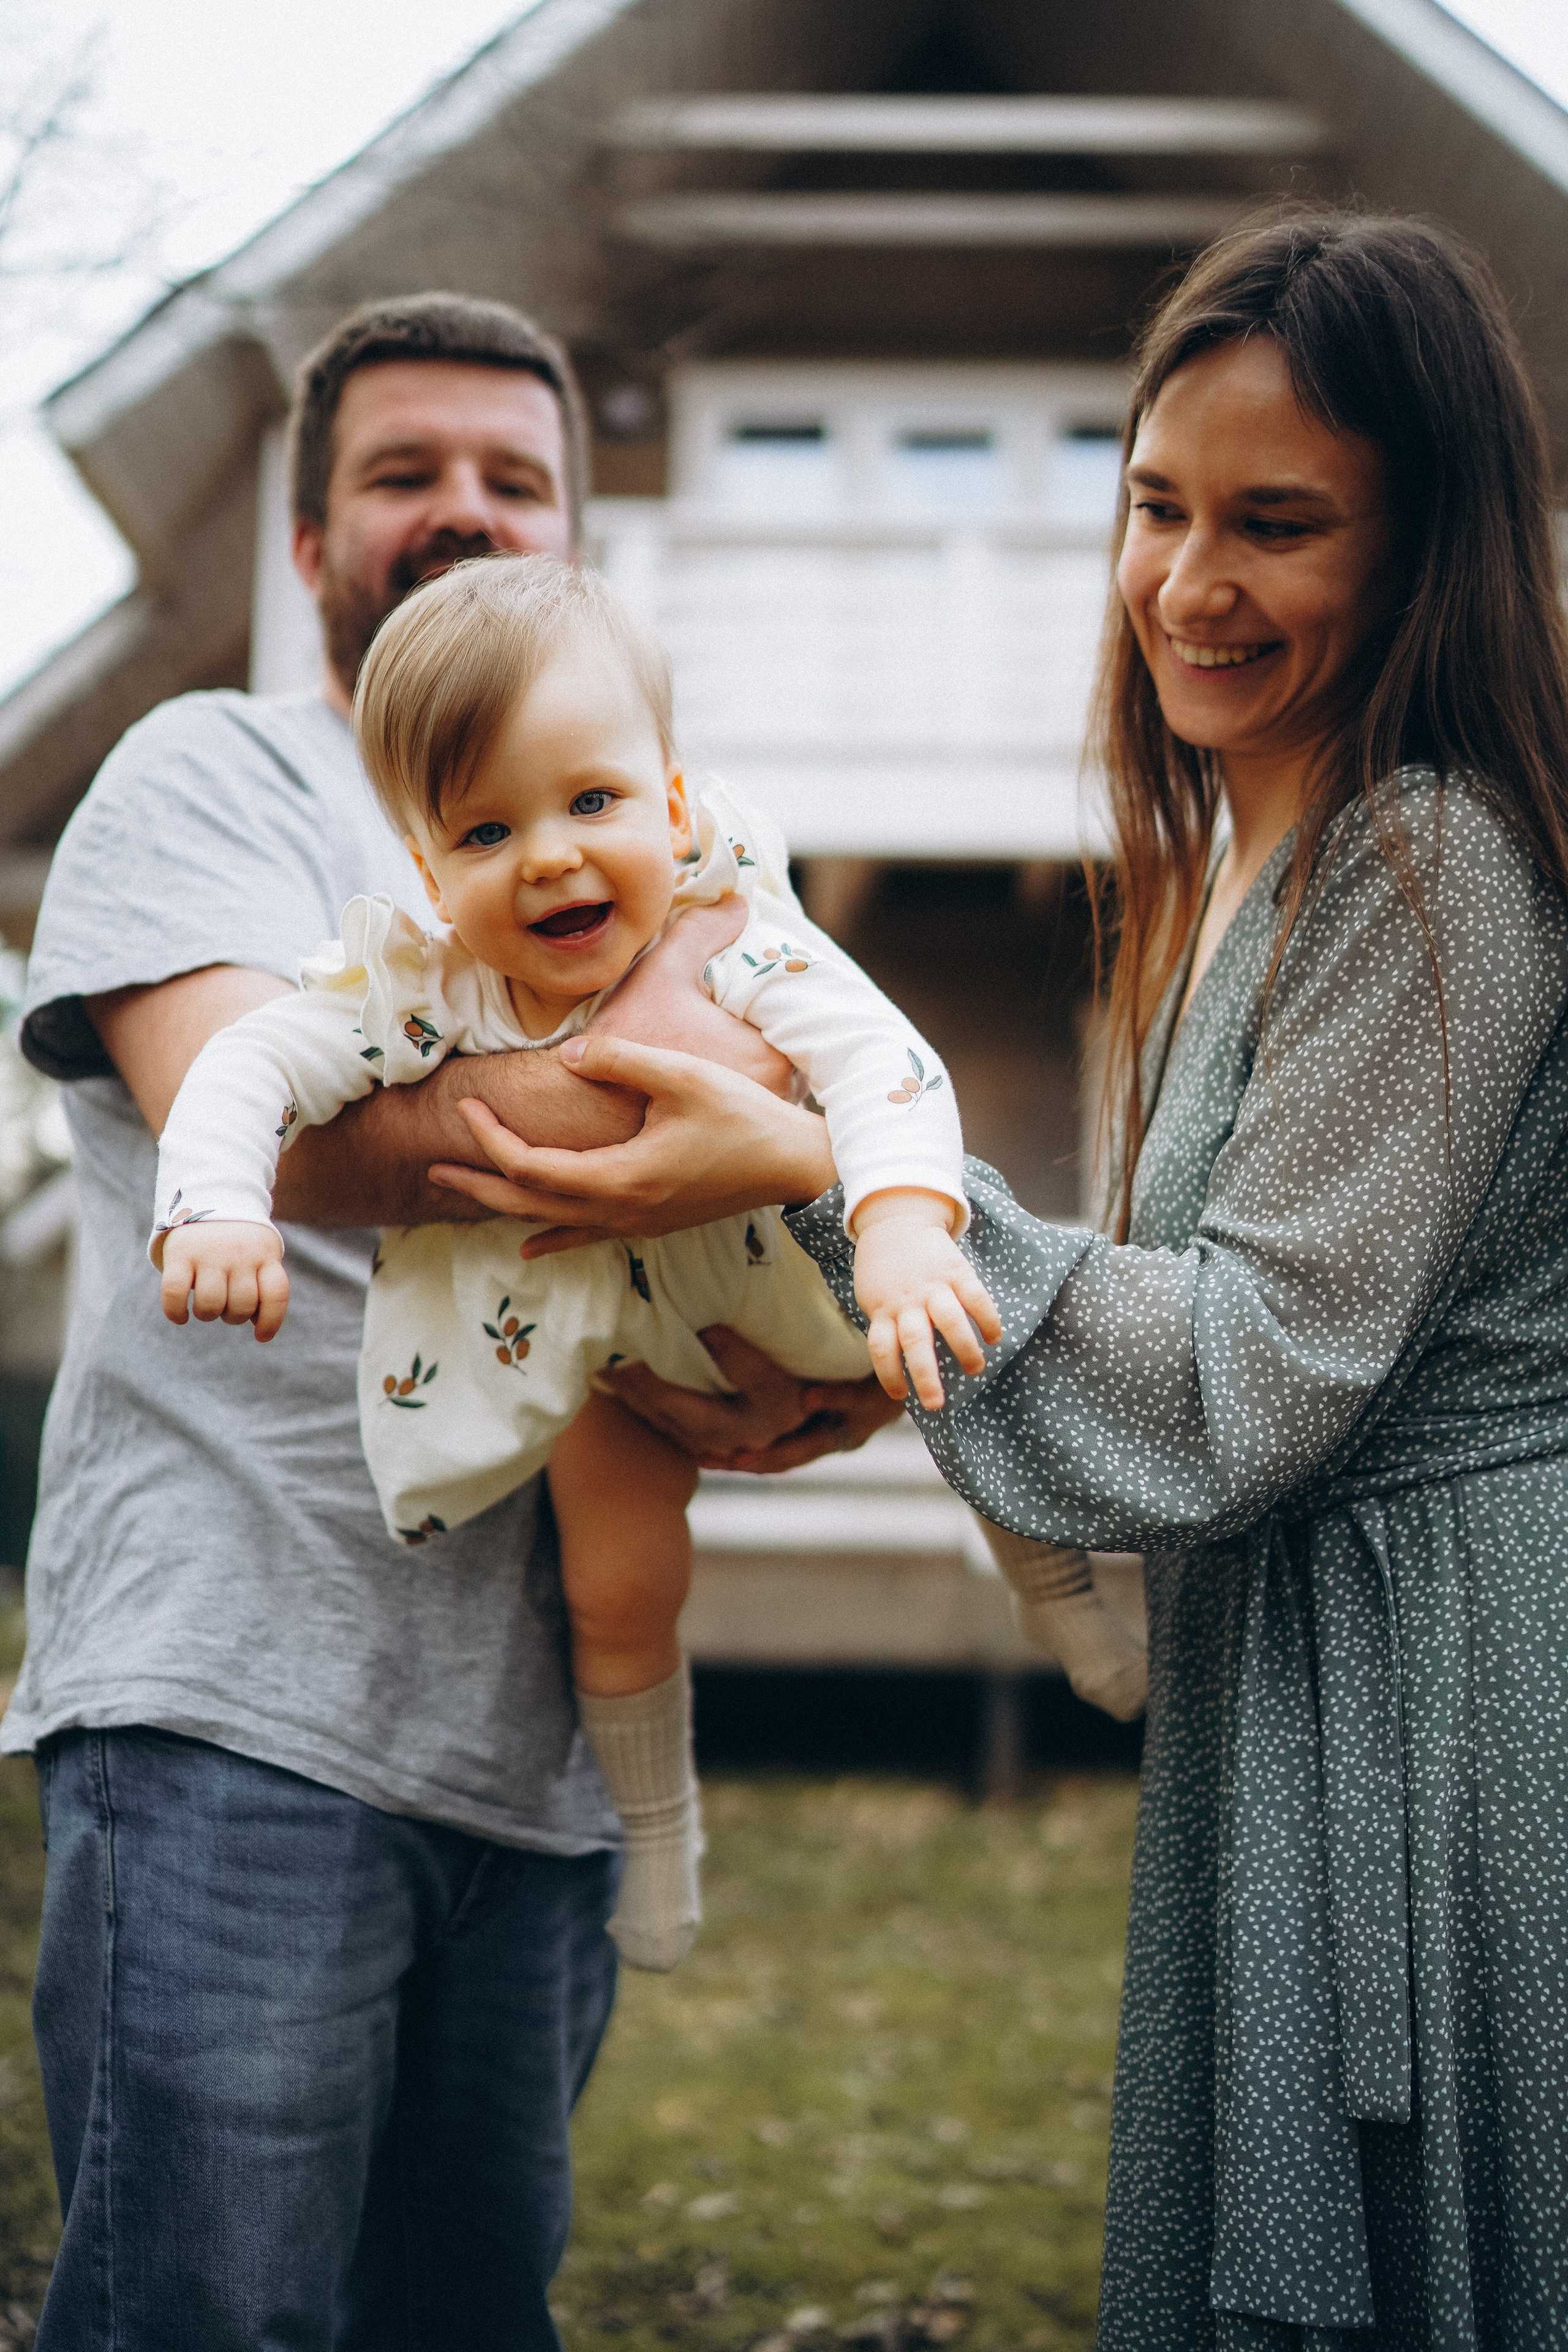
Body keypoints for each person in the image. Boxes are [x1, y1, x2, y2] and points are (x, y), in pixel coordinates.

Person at [420, 214, 1568, 2346]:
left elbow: (1247, 1377)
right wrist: (894, 1354)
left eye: (1280, 525)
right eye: (1157, 504)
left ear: (1428, 546)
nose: (1189, 582)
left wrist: (839, 1175)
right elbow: (1244, 1306)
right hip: (1305, 1666)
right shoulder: (1260, 855)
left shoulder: (1430, 861)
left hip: (1443, 1711)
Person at [4, 292, 895, 2351]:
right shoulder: (212, 769)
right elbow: (312, 1133)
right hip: (241, 1703)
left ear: (576, 535)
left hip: (538, 1752)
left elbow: (793, 1176)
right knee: (206, 2319)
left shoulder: (642, 824)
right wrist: (758, 1116)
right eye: (404, 474)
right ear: (311, 539)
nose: (463, 510)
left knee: (468, 2317)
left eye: (515, 477)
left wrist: (809, 1358)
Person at [149, 551, 999, 1972]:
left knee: (967, 1348)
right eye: (486, 831)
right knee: (618, 1586)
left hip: (796, 1269)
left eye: (591, 803)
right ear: (427, 873)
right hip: (605, 1339)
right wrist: (216, 1205)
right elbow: (250, 1063)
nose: (547, 856)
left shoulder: (732, 940)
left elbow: (881, 1061)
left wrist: (903, 1224)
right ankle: (658, 1840)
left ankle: (1051, 1585)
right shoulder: (428, 997)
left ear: (670, 803)